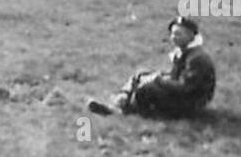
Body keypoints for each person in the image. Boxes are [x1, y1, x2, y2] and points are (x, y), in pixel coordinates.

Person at [86, 16, 217, 118]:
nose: (173, 38)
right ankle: (120, 100)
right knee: (141, 74)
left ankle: (122, 110)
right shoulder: (185, 51)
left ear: (190, 35)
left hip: (190, 104)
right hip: (183, 95)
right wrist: (158, 76)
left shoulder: (197, 58)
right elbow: (175, 76)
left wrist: (159, 80)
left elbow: (186, 88)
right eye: (172, 34)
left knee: (147, 89)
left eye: (178, 34)